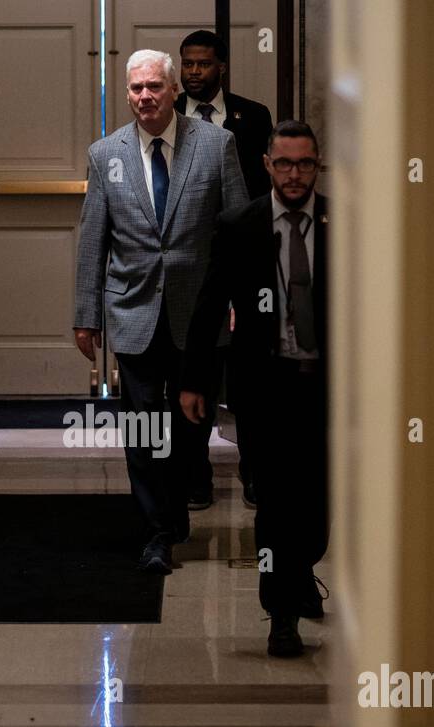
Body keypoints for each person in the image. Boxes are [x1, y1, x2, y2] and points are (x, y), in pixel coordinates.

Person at [73, 50, 248, 574]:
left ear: (174, 90)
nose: (144, 97)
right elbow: (93, 239)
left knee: (191, 427)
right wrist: (87, 314)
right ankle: (155, 532)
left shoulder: (216, 145)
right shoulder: (107, 154)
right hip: (133, 310)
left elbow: (237, 228)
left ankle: (177, 511)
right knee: (145, 426)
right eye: (135, 89)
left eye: (153, 87)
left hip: (199, 313)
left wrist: (242, 298)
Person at [179, 120, 328, 656]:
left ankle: (303, 568)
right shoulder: (240, 224)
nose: (294, 174)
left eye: (304, 163)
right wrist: (196, 380)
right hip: (265, 388)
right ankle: (280, 612)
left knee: (317, 504)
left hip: (324, 389)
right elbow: (209, 304)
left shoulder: (342, 224)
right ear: (266, 164)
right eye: (284, 163)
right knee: (274, 502)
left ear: (318, 164)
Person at [175, 29, 274, 510]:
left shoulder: (252, 117)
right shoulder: (167, 114)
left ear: (222, 67)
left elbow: (260, 190)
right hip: (191, 263)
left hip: (244, 259)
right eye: (187, 64)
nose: (193, 72)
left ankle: (254, 472)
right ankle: (195, 477)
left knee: (249, 376)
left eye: (202, 64)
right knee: (196, 371)